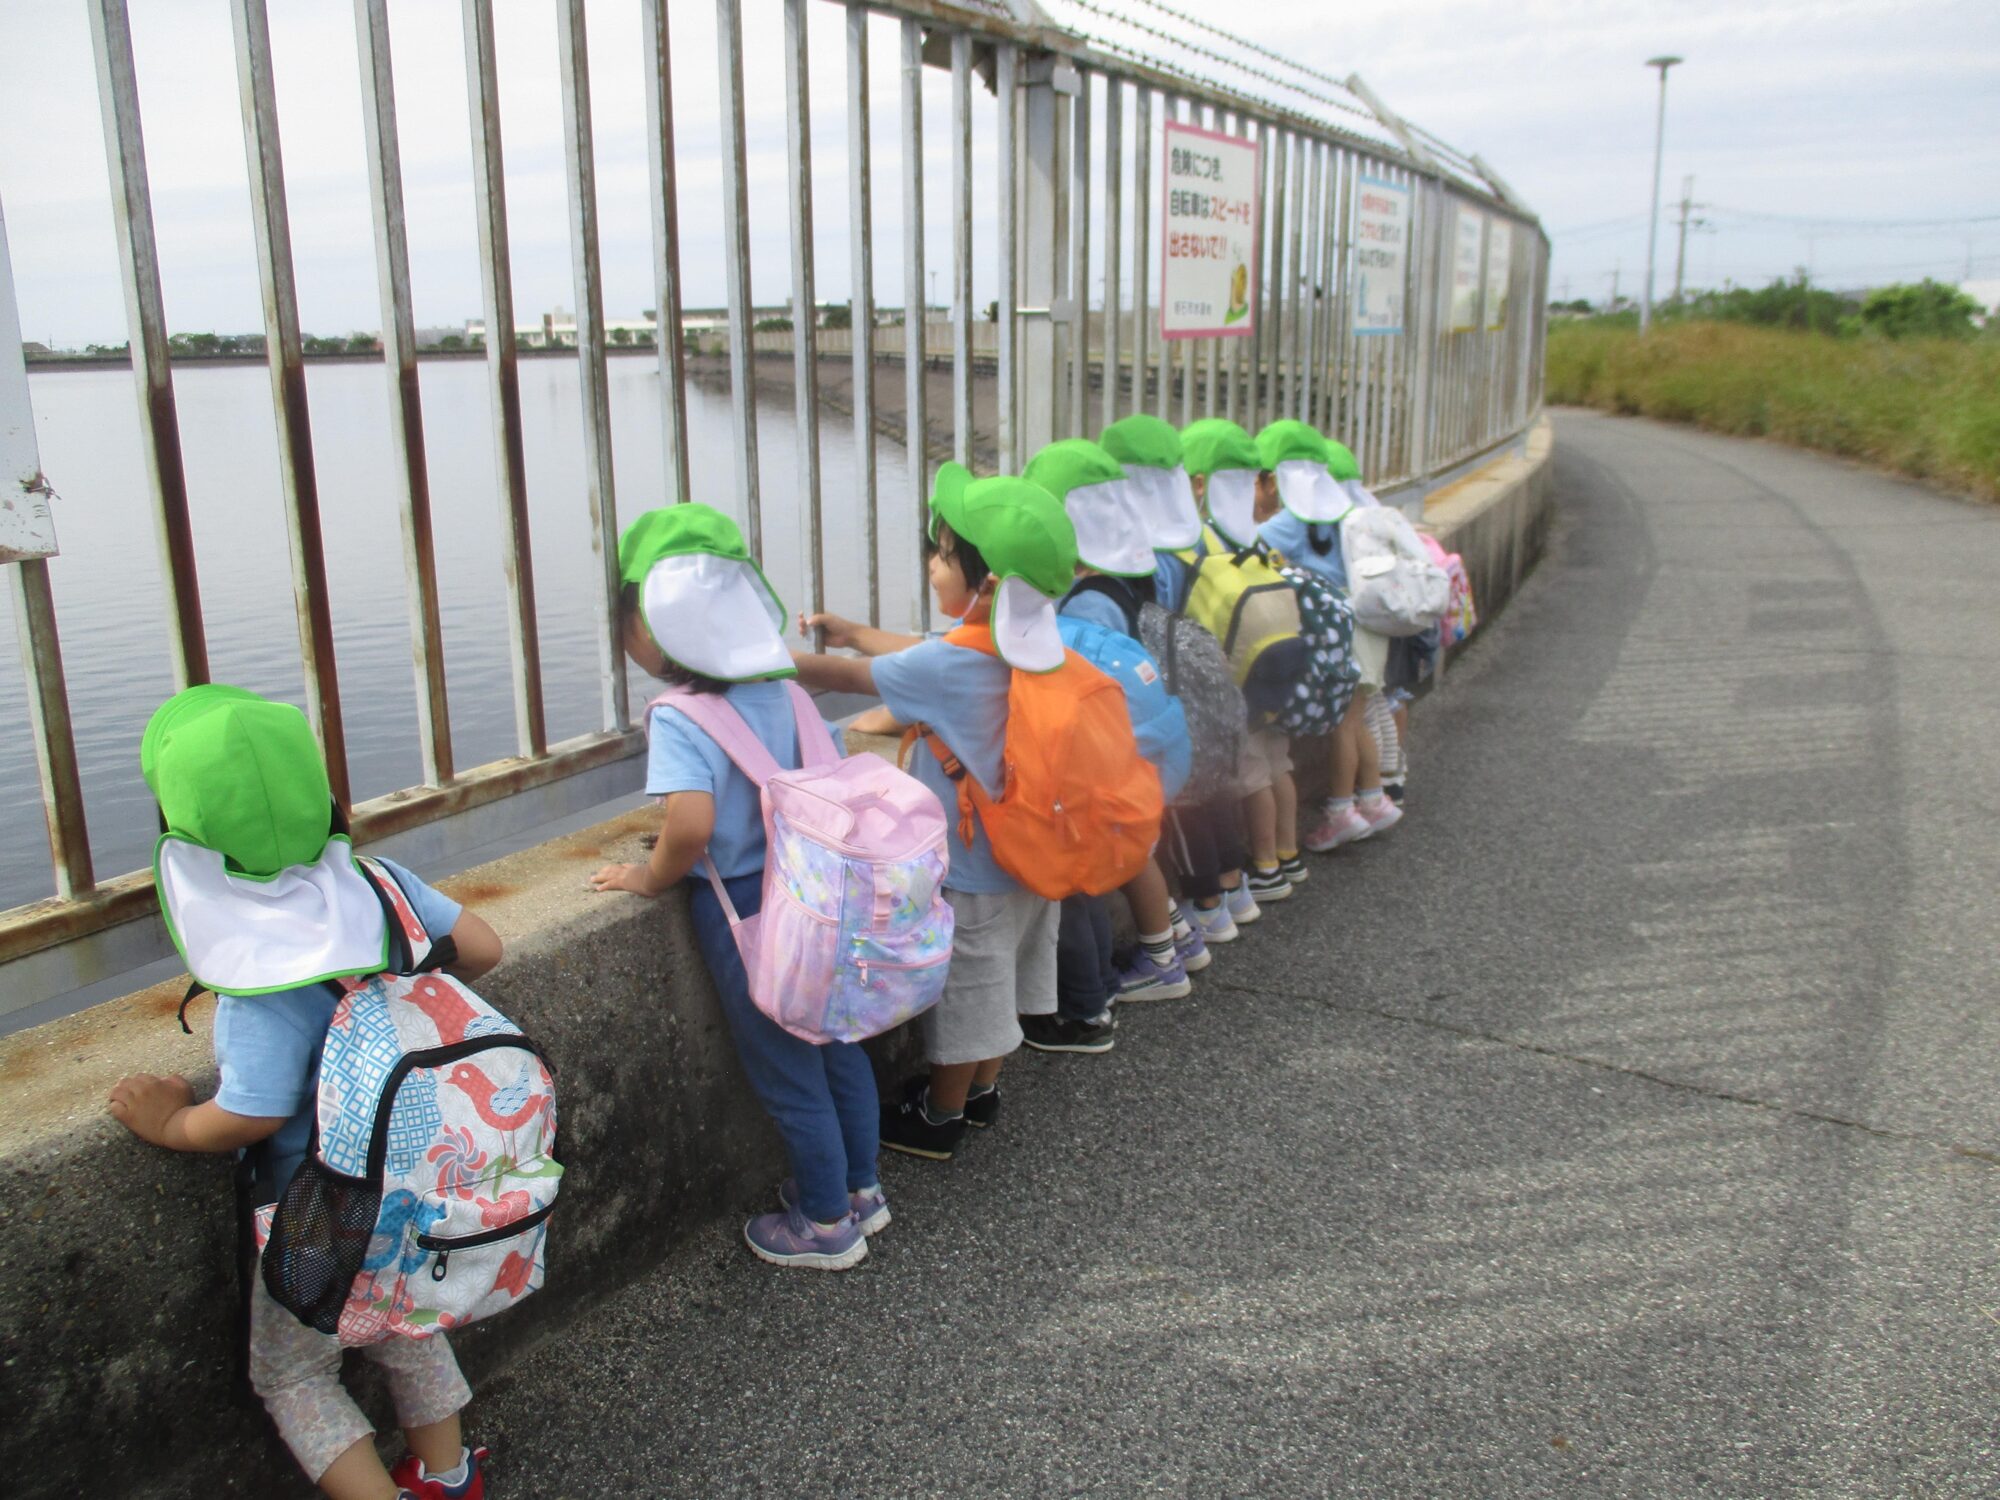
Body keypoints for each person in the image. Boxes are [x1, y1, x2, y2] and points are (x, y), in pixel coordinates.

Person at [109, 685, 502, 1500]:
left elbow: (249, 1112)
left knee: (294, 1376)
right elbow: (484, 946)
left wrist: (174, 1122)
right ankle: (450, 1475)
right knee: (408, 1322)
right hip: (427, 1171)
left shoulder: (253, 973)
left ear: (182, 843)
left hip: (319, 1206)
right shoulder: (381, 884)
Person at [591, 504, 884, 1271]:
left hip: (750, 910)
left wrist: (647, 877)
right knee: (837, 1045)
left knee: (786, 1069)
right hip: (822, 890)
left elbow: (689, 827)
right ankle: (863, 1191)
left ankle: (824, 1225)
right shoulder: (784, 689)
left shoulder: (682, 715)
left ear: (652, 629)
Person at [795, 467, 1074, 1159]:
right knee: (1003, 979)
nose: (930, 561)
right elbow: (924, 652)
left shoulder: (949, 667)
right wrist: (856, 630)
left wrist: (749, 657)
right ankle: (980, 1092)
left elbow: (845, 678)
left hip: (975, 868)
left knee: (971, 996)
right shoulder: (1036, 644)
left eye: (942, 553)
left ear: (982, 584)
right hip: (1034, 852)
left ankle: (940, 1117)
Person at [1027, 439, 1192, 1054]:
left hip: (1109, 761)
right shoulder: (1139, 569)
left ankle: (1127, 982)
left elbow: (1077, 686)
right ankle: (1173, 941)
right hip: (1146, 746)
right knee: (1124, 862)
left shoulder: (1089, 602)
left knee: (1093, 875)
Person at [1252, 421, 1401, 852]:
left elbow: (1244, 543)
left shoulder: (1293, 520)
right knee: (1358, 720)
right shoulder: (1345, 510)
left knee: (1343, 725)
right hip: (1365, 622)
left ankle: (1341, 811)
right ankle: (1372, 799)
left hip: (1335, 631)